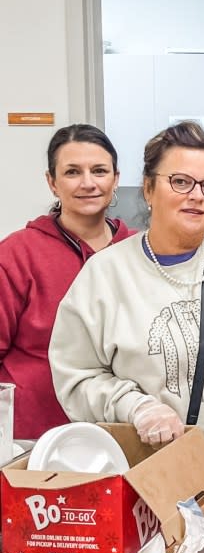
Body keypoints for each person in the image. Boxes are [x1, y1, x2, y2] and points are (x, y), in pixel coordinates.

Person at [50, 121, 204, 531]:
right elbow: (76, 376)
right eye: (181, 181)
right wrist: (136, 406)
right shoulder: (105, 276)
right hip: (148, 488)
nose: (196, 196)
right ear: (149, 189)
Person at [0, 124, 132, 440]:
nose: (88, 183)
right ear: (52, 182)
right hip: (35, 438)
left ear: (116, 179)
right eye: (72, 172)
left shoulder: (139, 252)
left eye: (99, 171)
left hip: (122, 434)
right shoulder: (17, 254)